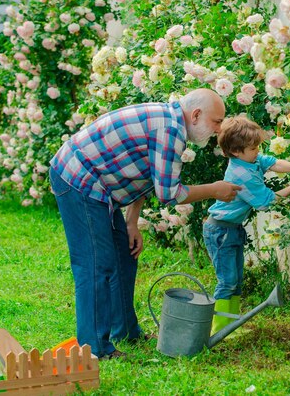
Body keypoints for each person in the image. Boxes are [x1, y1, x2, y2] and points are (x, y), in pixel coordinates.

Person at [49, 88, 241, 359]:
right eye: (217, 121)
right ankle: (95, 349)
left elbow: (145, 174)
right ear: (196, 115)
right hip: (78, 178)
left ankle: (125, 330)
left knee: (123, 255)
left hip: (101, 188)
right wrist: (215, 189)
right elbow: (169, 194)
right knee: (95, 263)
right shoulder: (171, 131)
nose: (218, 129)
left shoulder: (172, 122)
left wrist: (131, 222)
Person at [203, 115, 290, 334]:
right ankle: (218, 329)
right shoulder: (241, 174)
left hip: (231, 228)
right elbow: (267, 202)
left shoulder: (250, 160)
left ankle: (230, 325)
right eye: (253, 148)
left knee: (237, 279)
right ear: (235, 151)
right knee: (227, 281)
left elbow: (274, 163)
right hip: (220, 231)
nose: (257, 151)